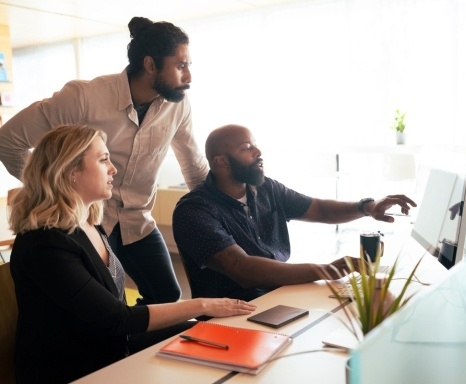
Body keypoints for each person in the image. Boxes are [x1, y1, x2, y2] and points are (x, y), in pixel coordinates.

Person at [8, 125, 255, 384]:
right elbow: (115, 318)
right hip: (76, 369)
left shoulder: (89, 224)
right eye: (104, 160)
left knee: (213, 336)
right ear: (70, 171)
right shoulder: (44, 244)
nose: (113, 169)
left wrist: (202, 313)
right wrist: (202, 304)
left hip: (110, 346)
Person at [0, 17, 209, 305]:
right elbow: (8, 140)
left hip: (137, 221)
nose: (189, 76)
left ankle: (133, 344)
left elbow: (194, 165)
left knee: (167, 296)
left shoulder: (178, 106)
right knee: (105, 306)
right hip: (82, 221)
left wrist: (219, 211)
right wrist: (53, 189)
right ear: (150, 65)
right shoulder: (84, 98)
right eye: (181, 65)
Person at [173, 124, 417, 301]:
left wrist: (367, 207)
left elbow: (318, 209)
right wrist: (330, 270)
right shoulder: (194, 211)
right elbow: (243, 269)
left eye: (255, 145)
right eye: (247, 148)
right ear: (222, 162)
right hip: (233, 314)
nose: (258, 152)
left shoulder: (266, 188)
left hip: (279, 296)